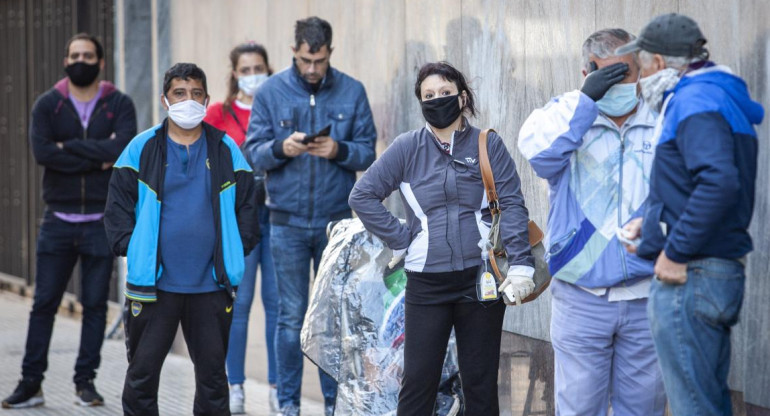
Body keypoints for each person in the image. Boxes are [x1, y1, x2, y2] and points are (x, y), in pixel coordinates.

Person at [349, 61, 535, 416]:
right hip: (426, 283)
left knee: (479, 383)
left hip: (480, 280)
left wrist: (522, 264)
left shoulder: (487, 144)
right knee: (418, 382)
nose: (437, 100)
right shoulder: (407, 147)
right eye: (428, 95)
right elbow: (362, 195)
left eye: (445, 93)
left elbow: (511, 202)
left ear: (462, 97)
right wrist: (402, 240)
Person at [618, 13, 764, 416]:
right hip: (709, 272)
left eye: (641, 66)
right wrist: (648, 222)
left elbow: (718, 182)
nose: (639, 77)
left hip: (692, 275)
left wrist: (674, 252)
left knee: (694, 406)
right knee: (707, 400)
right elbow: (693, 180)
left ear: (660, 64)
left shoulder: (695, 99)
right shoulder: (716, 94)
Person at [517, 28, 666, 415]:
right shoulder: (564, 115)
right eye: (607, 75)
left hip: (647, 293)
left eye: (627, 73)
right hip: (582, 297)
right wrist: (585, 101)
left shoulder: (661, 118)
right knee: (581, 409)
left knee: (644, 409)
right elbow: (541, 157)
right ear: (587, 73)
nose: (619, 83)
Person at [104, 63, 259, 416]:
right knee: (142, 376)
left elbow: (249, 204)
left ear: (206, 101)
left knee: (213, 382)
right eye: (179, 93)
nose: (188, 101)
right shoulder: (141, 148)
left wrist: (236, 249)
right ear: (164, 99)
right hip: (153, 285)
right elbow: (116, 208)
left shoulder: (225, 149)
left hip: (211, 285)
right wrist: (135, 249)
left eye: (195, 94)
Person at [245, 16, 377, 416]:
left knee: (335, 321)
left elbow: (368, 152)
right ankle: (287, 404)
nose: (313, 69)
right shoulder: (270, 91)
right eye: (305, 60)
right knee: (290, 317)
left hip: (336, 223)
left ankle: (335, 405)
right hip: (285, 222)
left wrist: (338, 151)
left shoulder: (352, 91)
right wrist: (282, 148)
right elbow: (253, 152)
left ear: (330, 53)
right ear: (294, 53)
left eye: (319, 60)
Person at [2, 33, 137, 409]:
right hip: (57, 221)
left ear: (101, 62)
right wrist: (97, 156)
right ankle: (31, 383)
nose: (82, 60)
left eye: (89, 55)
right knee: (44, 303)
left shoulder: (119, 104)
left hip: (100, 223)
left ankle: (85, 383)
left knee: (94, 306)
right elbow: (43, 152)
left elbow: (122, 149)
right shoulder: (48, 104)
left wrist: (70, 150)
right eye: (75, 55)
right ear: (65, 61)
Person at [204, 42, 279, 415]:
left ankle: (279, 388)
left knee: (280, 307)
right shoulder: (219, 114)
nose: (253, 76)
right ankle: (235, 385)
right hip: (237, 220)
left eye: (259, 68)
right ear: (234, 73)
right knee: (239, 304)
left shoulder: (280, 108)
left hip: (278, 215)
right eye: (246, 69)